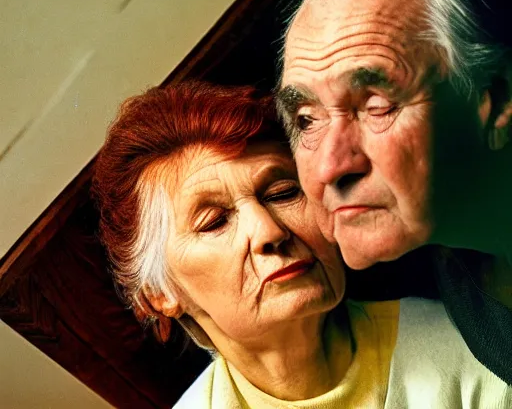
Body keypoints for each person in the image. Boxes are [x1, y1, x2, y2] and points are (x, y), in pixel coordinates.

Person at [92, 80, 510, 407]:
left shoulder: (476, 348)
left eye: (282, 194)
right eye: (214, 221)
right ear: (158, 294)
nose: (270, 233)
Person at [276, 0, 512, 384]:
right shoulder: (449, 259)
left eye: (376, 104)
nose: (328, 168)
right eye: (305, 119)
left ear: (497, 98)